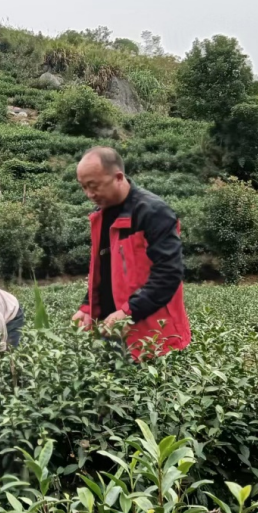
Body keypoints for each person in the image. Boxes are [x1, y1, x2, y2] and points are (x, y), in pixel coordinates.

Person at [72, 147, 190, 360]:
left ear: (118, 177)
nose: (89, 194)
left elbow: (168, 274)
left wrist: (129, 312)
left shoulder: (154, 212)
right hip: (112, 329)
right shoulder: (101, 217)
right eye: (84, 187)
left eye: (94, 186)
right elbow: (104, 272)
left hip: (153, 336)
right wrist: (88, 307)